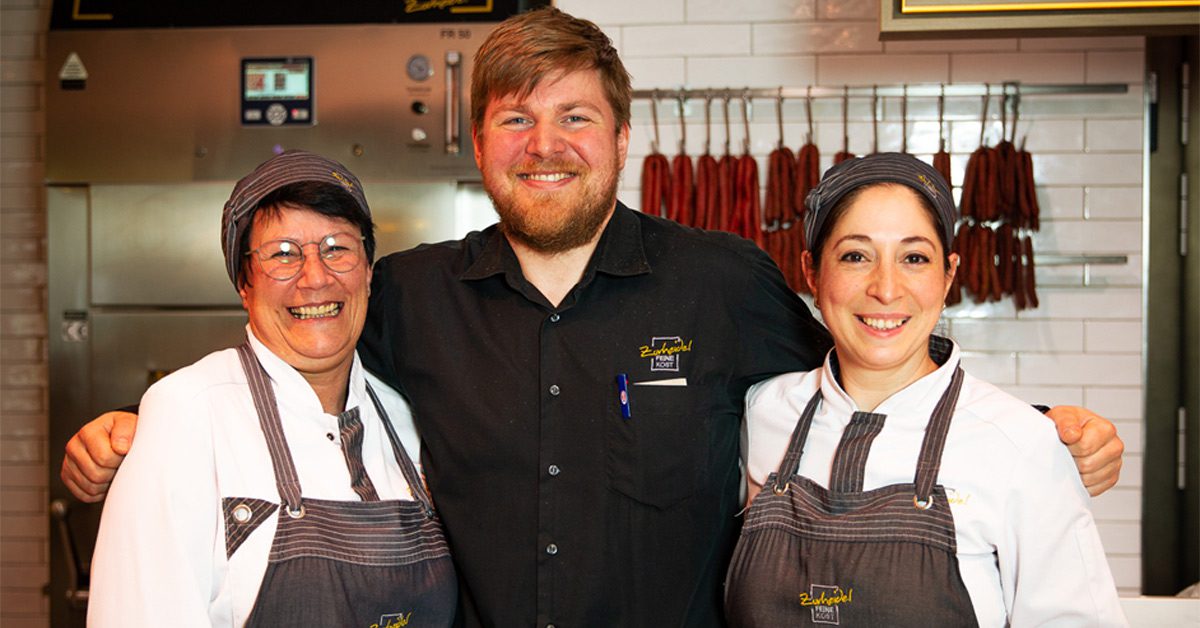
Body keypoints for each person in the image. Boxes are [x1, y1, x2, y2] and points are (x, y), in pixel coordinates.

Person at [63, 8, 1125, 626]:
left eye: (575, 116)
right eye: (515, 119)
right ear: (479, 146)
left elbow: (862, 379)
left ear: (622, 138)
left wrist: (1028, 429)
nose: (545, 142)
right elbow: (294, 358)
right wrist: (134, 428)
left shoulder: (721, 281)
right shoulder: (419, 296)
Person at [725, 153, 1126, 626]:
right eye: (856, 256)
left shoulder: (1022, 444)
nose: (887, 289)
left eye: (914, 258)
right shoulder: (760, 413)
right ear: (812, 272)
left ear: (948, 274)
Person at [87, 151, 457, 626]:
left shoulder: (408, 418)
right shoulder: (187, 414)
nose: (316, 277)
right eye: (283, 254)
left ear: (368, 270)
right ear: (245, 282)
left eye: (337, 248)